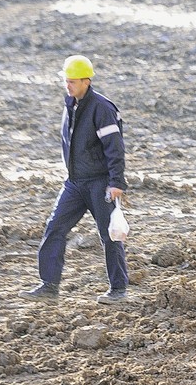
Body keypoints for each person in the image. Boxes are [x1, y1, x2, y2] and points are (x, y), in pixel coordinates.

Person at [23, 54, 130, 304]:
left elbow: (115, 147)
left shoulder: (102, 108)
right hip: (74, 182)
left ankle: (118, 290)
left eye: (72, 81)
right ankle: (49, 285)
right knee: (55, 228)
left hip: (100, 182)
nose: (68, 85)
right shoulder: (70, 104)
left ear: (87, 81)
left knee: (110, 235)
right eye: (66, 81)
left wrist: (116, 182)